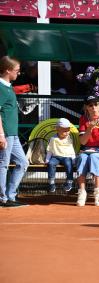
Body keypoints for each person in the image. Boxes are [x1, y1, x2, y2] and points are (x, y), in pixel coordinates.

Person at [0, 56, 29, 207]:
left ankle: (10, 196)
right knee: (3, 164)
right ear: (7, 70)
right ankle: (3, 198)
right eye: (17, 70)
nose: (19, 73)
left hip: (13, 133)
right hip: (5, 133)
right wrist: (1, 135)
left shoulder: (8, 86)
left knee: (23, 163)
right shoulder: (1, 87)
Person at [76, 96, 99, 207]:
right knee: (82, 158)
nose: (93, 108)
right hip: (86, 150)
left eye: (96, 105)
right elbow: (83, 142)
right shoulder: (83, 119)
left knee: (94, 157)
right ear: (86, 107)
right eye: (90, 105)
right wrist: (89, 128)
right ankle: (82, 192)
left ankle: (98, 192)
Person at [45, 118, 76, 193]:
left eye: (68, 130)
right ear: (57, 129)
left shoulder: (69, 138)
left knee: (69, 164)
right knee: (51, 163)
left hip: (67, 157)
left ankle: (69, 182)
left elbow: (71, 150)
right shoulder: (53, 139)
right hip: (55, 157)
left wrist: (74, 159)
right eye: (64, 131)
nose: (67, 132)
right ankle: (51, 183)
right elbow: (50, 150)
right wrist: (47, 159)